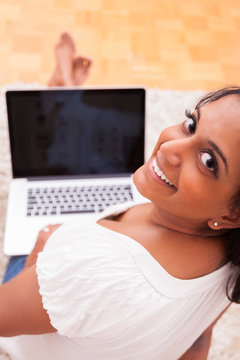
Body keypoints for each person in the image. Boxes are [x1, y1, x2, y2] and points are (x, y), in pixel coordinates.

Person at [0, 33, 239, 360]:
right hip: (83, 308)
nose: (169, 147)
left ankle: (59, 93)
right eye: (190, 124)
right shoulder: (233, 263)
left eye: (209, 161)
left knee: (65, 167)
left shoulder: (86, 269)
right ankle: (64, 94)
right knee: (98, 161)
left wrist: (40, 254)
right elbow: (197, 342)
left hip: (43, 313)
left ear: (232, 215)